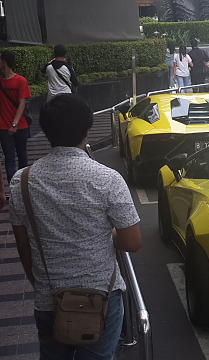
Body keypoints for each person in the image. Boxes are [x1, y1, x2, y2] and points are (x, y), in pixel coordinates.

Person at [10, 94, 142, 360]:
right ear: (87, 128)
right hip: (101, 298)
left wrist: (40, 284)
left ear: (45, 130)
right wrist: (109, 234)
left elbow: (23, 246)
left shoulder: (21, 181)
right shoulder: (107, 179)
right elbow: (131, 242)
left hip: (49, 298)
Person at [0, 50, 30, 182]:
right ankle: (13, 187)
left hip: (19, 125)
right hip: (3, 126)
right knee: (9, 158)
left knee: (22, 155)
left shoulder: (21, 81)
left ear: (4, 61)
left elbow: (22, 103)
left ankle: (23, 186)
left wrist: (14, 123)